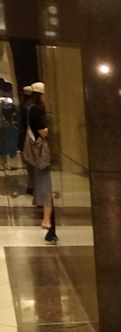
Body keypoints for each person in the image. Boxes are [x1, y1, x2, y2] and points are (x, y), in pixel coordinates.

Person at [26, 82, 57, 242]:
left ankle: (44, 214)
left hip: (35, 152)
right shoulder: (36, 110)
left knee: (41, 181)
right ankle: (46, 219)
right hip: (41, 152)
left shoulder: (30, 108)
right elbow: (42, 132)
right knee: (46, 184)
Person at [18, 85, 36, 199]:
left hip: (24, 137)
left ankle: (31, 185)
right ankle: (33, 186)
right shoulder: (30, 108)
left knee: (29, 165)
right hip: (29, 138)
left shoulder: (22, 106)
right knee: (33, 164)